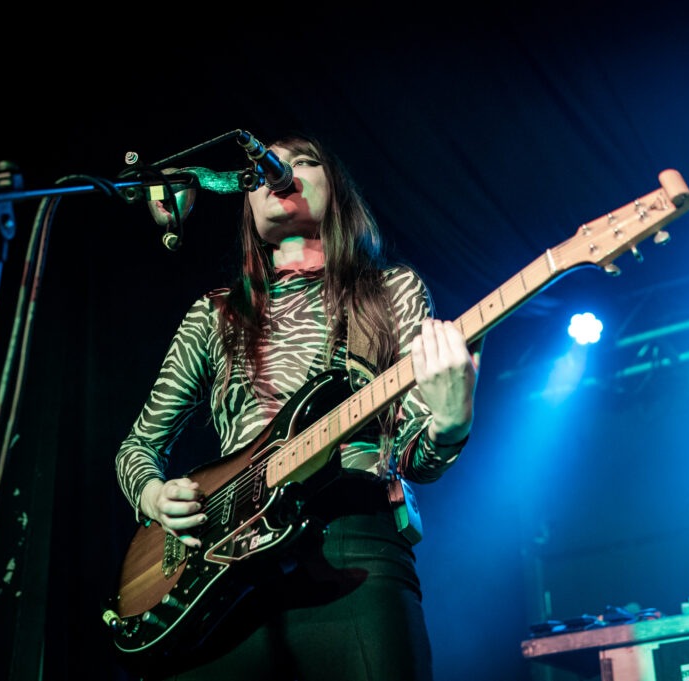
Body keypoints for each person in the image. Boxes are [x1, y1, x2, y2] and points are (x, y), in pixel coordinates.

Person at [114, 132, 482, 680]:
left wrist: (449, 426)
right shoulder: (212, 316)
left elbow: (414, 460)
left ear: (336, 191)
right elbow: (137, 446)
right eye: (267, 167)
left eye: (303, 162)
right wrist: (153, 494)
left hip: (354, 551)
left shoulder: (392, 290)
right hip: (221, 576)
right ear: (245, 202)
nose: (278, 172)